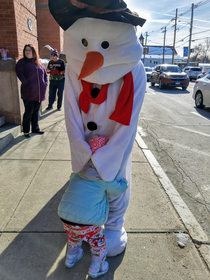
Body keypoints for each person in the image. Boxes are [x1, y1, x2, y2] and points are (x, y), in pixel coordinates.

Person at [58, 136, 128, 278]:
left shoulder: (78, 174)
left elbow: (72, 179)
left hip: (65, 217)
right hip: (88, 222)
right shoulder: (104, 179)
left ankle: (71, 257)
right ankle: (97, 267)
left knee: (74, 235)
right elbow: (119, 189)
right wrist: (125, 182)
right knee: (98, 242)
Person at [16, 44, 48, 138]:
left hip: (39, 93)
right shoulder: (22, 62)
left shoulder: (38, 63)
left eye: (30, 50)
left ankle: (35, 128)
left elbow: (45, 75)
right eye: (26, 50)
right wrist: (28, 84)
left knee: (36, 111)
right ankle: (26, 131)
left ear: (34, 52)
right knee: (29, 111)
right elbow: (20, 74)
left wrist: (45, 84)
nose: (28, 52)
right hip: (28, 92)